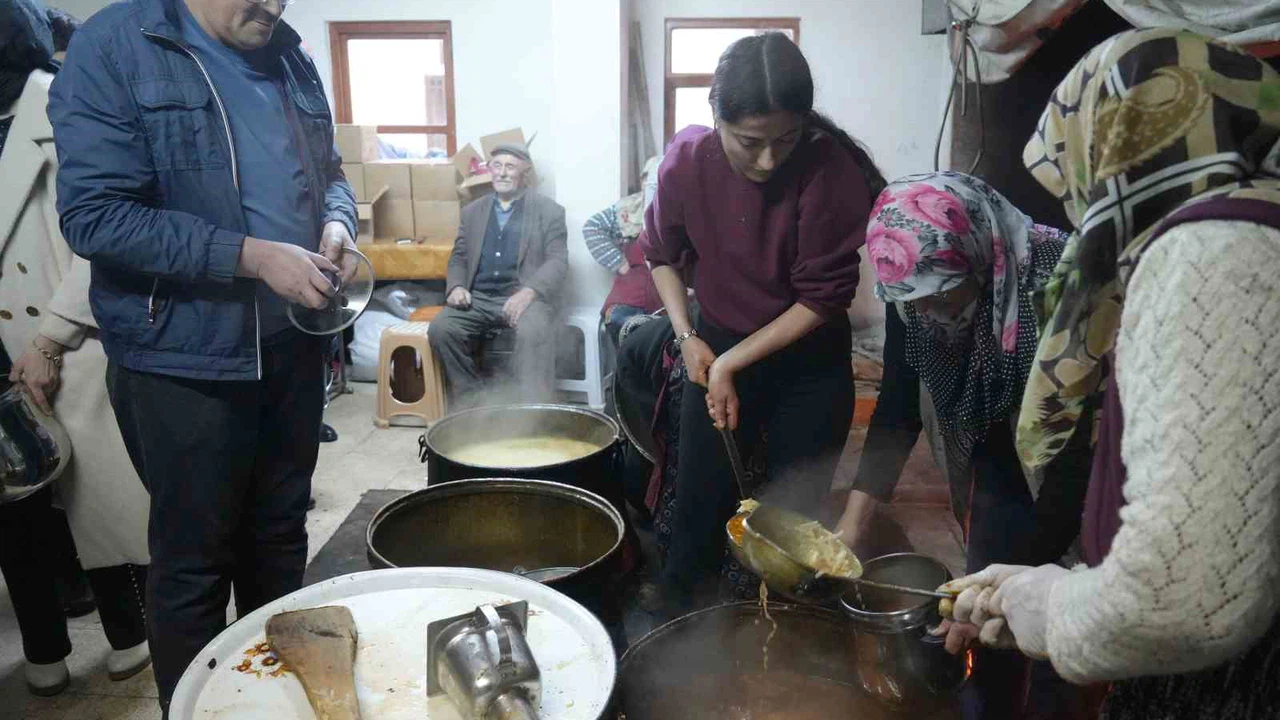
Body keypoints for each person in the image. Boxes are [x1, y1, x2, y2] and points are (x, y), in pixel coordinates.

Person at [941, 29, 1280, 719]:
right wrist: (1058, 586)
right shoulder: (1256, 222)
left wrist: (1054, 606)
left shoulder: (1212, 256)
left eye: (1080, 181)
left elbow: (1185, 598)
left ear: (1119, 149)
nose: (1080, 209)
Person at [47, 0, 358, 710]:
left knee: (279, 539)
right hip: (183, 361)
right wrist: (251, 256)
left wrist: (337, 218)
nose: (274, 5)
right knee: (194, 564)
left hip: (290, 347)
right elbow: (96, 216)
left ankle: (271, 705)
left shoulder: (290, 55)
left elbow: (330, 171)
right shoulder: (116, 47)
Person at [834, 172, 1095, 719]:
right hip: (991, 454)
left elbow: (1073, 466)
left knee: (1056, 624)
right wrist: (850, 528)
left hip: (1068, 469)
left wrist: (1015, 580)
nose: (929, 312)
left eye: (945, 295)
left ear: (981, 258)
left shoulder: (1064, 288)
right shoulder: (911, 284)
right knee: (986, 619)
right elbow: (898, 405)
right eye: (914, 302)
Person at [641, 32, 884, 614]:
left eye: (786, 140)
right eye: (750, 142)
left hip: (808, 357)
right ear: (716, 117)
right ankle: (681, 600)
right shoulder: (687, 162)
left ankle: (772, 621)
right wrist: (688, 336)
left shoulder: (828, 169)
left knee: (791, 508)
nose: (768, 160)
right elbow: (661, 255)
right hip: (718, 340)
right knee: (701, 488)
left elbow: (823, 298)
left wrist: (729, 362)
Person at [0, 0, 151, 695]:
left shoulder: (66, 107)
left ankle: (129, 630)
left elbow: (108, 232)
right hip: (4, 342)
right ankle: (43, 643)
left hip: (67, 335)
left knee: (95, 500)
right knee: (16, 509)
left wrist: (50, 337)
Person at [428, 143, 568, 407]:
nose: (502, 173)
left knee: (534, 329)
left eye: (510, 167)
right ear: (490, 170)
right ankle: (474, 402)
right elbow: (459, 256)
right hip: (478, 299)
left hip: (525, 300)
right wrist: (456, 287)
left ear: (524, 173)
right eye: (497, 165)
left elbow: (558, 261)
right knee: (442, 328)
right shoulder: (472, 212)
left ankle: (530, 408)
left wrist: (528, 292)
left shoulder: (548, 211)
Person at [583, 156, 664, 348]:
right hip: (631, 293)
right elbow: (591, 227)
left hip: (669, 293)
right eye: (650, 179)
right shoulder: (628, 209)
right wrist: (619, 263)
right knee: (620, 321)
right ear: (643, 181)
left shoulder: (684, 209)